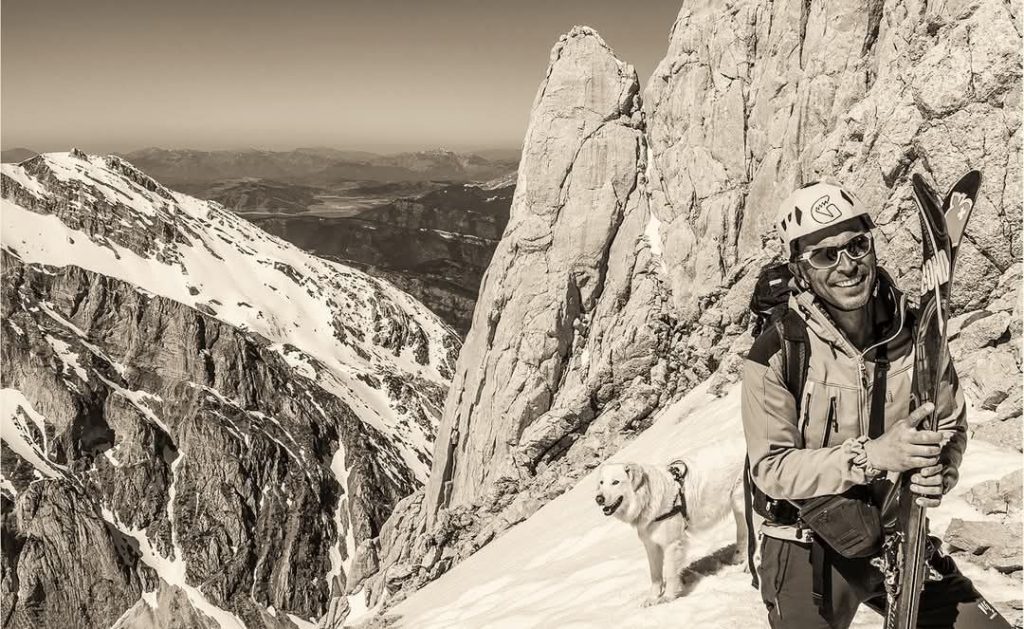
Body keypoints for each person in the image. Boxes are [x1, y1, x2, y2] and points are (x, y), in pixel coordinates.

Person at [741, 181, 1010, 629]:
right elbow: (770, 469)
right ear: (799, 270)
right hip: (807, 544)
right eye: (825, 254)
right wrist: (872, 456)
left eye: (856, 246)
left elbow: (950, 424)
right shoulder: (778, 351)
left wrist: (940, 468)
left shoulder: (917, 331)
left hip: (898, 530)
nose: (847, 265)